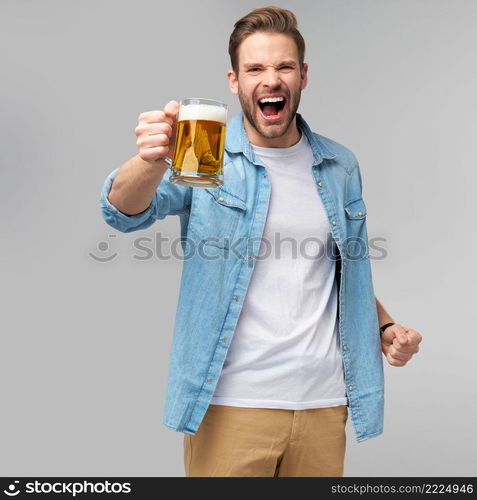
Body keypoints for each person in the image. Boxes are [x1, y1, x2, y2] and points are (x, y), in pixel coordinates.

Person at [100, 6, 423, 477]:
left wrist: (384, 327)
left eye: (283, 67)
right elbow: (122, 213)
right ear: (235, 81)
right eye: (255, 68)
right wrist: (151, 161)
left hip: (324, 405)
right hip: (233, 403)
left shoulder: (340, 166)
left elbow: (340, 272)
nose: (270, 79)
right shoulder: (203, 154)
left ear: (303, 76)